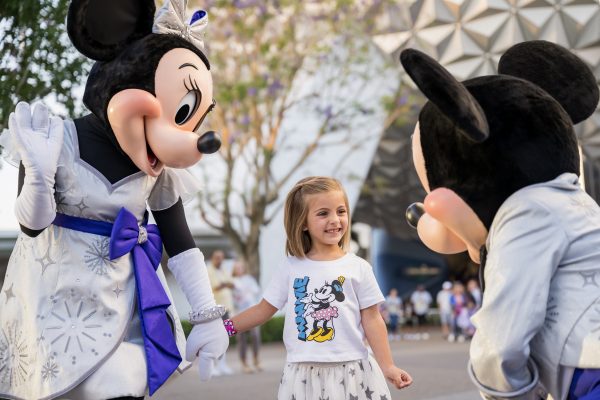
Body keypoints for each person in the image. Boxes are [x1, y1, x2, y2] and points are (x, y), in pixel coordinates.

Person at [0, 1, 229, 399]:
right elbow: (31, 224)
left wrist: (208, 317)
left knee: (119, 384)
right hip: (50, 305)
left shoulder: (159, 170)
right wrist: (38, 176)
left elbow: (180, 242)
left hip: (118, 304)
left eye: (190, 117)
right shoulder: (52, 140)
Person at [225, 176, 412, 399]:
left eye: (341, 211)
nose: (335, 220)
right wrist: (223, 329)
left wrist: (388, 366)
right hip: (303, 376)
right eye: (323, 213)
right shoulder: (290, 267)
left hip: (353, 371)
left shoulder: (359, 267)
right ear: (303, 222)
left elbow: (372, 319)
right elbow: (262, 310)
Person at [232, 259, 263, 373]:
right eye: (237, 268)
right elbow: (232, 298)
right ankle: (244, 363)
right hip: (239, 313)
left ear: (243, 268)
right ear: (234, 269)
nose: (239, 269)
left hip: (252, 311)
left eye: (240, 267)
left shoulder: (249, 279)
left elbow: (256, 291)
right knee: (242, 339)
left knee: (255, 336)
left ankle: (256, 359)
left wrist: (246, 290)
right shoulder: (232, 281)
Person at [207, 249, 235, 376]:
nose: (220, 260)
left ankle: (223, 364)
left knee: (225, 337)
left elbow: (231, 283)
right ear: (213, 258)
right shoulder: (209, 270)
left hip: (226, 309)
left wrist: (225, 284)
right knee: (214, 338)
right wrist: (224, 284)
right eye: (217, 257)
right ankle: (211, 366)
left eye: (221, 257)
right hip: (215, 309)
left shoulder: (223, 270)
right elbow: (215, 287)